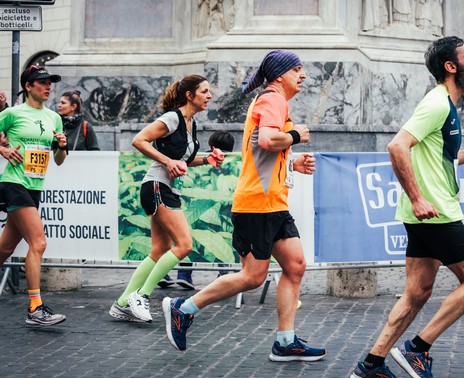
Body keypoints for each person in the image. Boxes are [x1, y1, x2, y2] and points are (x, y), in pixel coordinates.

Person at [350, 36, 464, 378]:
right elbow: (397, 146)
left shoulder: (447, 106)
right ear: (451, 67)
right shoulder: (437, 103)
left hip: (426, 213)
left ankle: (371, 363)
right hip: (436, 213)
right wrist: (418, 198)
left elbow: (441, 157)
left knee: (417, 292)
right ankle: (418, 348)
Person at [161, 50, 326, 361]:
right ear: (280, 75)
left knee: (295, 266)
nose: (303, 75)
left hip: (274, 203)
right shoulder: (272, 98)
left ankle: (285, 341)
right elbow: (266, 140)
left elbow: (261, 152)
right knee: (253, 276)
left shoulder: (275, 99)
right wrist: (294, 135)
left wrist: (291, 163)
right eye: (297, 70)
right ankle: (183, 308)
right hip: (256, 205)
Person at [108, 74, 224, 323]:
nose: (209, 96)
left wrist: (207, 159)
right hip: (157, 186)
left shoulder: (191, 124)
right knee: (184, 245)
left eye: (209, 92)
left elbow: (183, 159)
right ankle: (141, 296)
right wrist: (167, 161)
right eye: (204, 91)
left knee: (159, 249)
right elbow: (139, 140)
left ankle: (122, 303)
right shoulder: (172, 118)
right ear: (189, 96)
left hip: (166, 188)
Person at [0, 65, 69, 326]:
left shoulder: (54, 118)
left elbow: (59, 161)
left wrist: (61, 146)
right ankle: (35, 308)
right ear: (28, 86)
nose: (48, 86)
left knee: (6, 248)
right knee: (38, 243)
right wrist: (3, 151)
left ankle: (35, 309)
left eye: (50, 82)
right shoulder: (13, 113)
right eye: (42, 82)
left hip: (34, 187)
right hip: (13, 183)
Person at [158, 129, 235, 290]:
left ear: (211, 145)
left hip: (192, 204)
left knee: (185, 236)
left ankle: (182, 274)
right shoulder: (234, 161)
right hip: (220, 210)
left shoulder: (200, 158)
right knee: (221, 240)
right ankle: (224, 275)